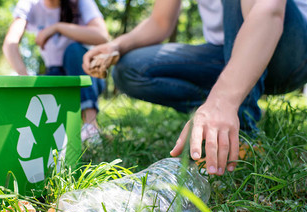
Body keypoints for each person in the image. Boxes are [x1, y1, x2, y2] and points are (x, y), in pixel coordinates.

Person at [83, 0, 307, 175]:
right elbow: (160, 22)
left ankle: (242, 133)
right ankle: (216, 121)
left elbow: (267, 10)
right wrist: (116, 45)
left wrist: (223, 100)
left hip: (288, 51)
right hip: (221, 54)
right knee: (130, 69)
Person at [2, 0, 109, 143]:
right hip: (55, 74)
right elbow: (10, 43)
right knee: (39, 88)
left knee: (73, 50)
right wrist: (24, 77)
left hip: (87, 74)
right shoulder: (29, 4)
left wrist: (58, 27)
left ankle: (91, 127)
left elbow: (102, 36)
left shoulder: (81, 2)